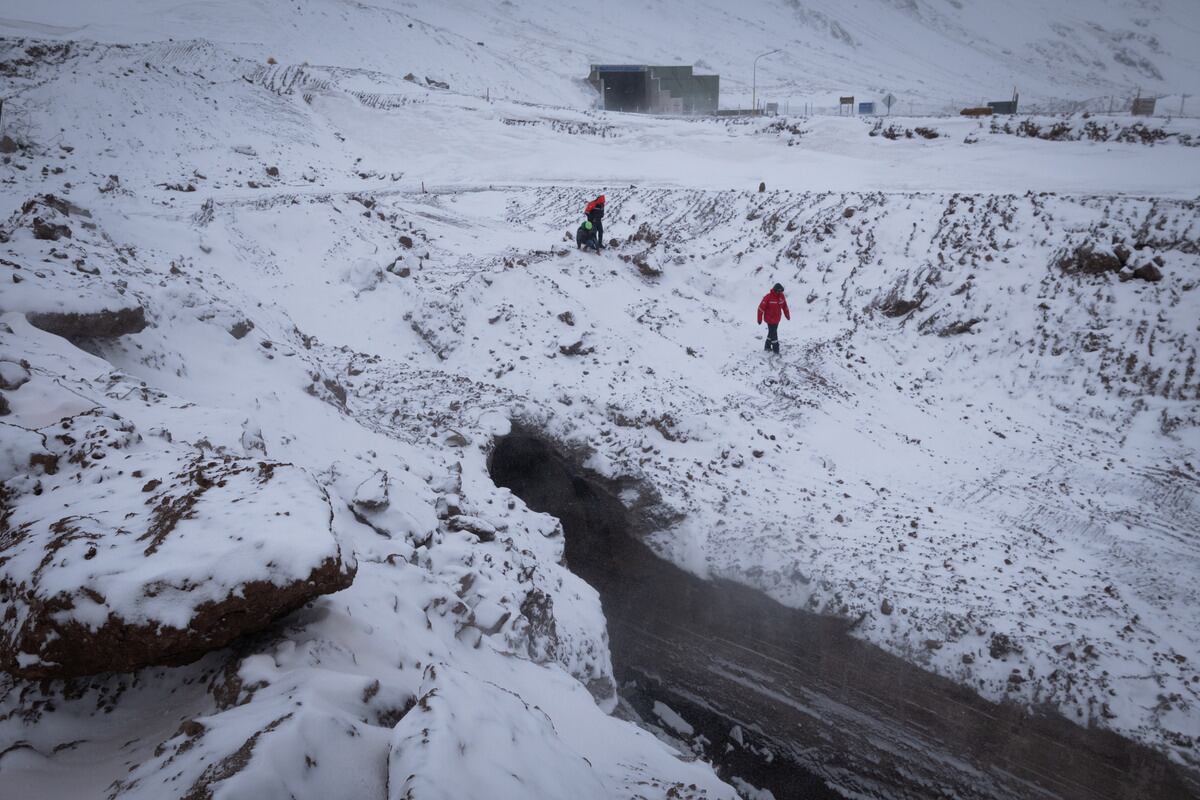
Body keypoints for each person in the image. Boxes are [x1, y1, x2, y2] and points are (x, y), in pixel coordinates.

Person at [757, 283, 790, 353]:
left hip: (777, 319)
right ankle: (776, 349)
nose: (780, 292)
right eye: (778, 291)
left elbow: (785, 306)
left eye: (781, 291)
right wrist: (759, 319)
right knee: (774, 334)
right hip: (769, 319)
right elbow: (760, 308)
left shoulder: (781, 297)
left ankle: (767, 346)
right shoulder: (768, 297)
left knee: (771, 333)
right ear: (775, 290)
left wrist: (787, 315)